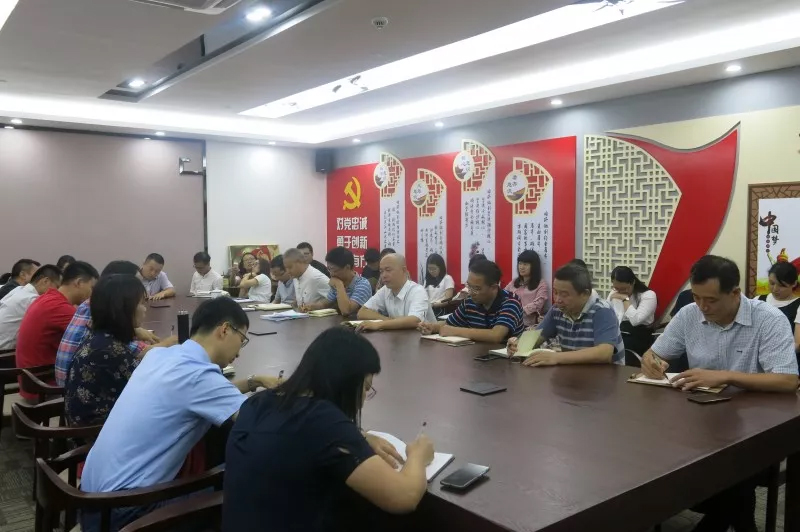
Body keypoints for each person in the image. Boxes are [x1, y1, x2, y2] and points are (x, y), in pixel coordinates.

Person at [79, 298, 282, 532]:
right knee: (250, 478)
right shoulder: (198, 376)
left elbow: (204, 394)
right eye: (242, 339)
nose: (239, 352)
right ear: (225, 329)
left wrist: (253, 381)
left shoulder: (160, 356)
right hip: (126, 514)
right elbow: (259, 424)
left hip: (91, 500)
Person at [641, 255, 798, 532]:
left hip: (755, 430)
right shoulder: (689, 314)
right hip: (700, 421)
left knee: (733, 479)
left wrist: (726, 375)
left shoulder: (768, 320)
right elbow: (655, 353)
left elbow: (787, 381)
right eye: (696, 297)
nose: (702, 307)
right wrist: (652, 361)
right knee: (652, 460)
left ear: (735, 293)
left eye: (711, 300)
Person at [223, 327, 434, 532]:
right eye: (366, 387)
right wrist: (417, 455)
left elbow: (296, 436)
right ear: (347, 383)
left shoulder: (257, 402)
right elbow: (404, 497)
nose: (363, 400)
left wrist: (358, 436)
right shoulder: (324, 421)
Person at [55, 260, 176, 386]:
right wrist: (168, 343)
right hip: (66, 386)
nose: (144, 307)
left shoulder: (94, 307)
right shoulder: (110, 345)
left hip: (69, 381)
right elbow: (139, 356)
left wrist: (135, 331)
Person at [64, 275, 148, 427]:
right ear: (123, 308)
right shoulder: (110, 351)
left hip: (91, 426)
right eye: (141, 303)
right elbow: (146, 393)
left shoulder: (101, 338)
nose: (145, 308)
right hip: (98, 434)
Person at [507, 264, 625, 366]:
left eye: (564, 294)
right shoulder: (557, 310)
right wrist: (517, 345)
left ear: (585, 294)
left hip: (607, 377)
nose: (558, 299)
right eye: (555, 292)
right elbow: (536, 337)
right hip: (573, 373)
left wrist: (556, 357)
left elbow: (604, 353)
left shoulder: (602, 310)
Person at [16, 261, 99, 402]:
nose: (92, 295)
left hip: (30, 380)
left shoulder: (48, 298)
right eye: (91, 288)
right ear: (79, 283)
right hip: (42, 387)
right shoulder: (60, 307)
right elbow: (96, 338)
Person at [419, 260, 524, 343]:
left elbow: (496, 335)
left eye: (477, 288)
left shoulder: (510, 301)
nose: (471, 292)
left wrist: (455, 331)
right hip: (476, 355)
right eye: (469, 286)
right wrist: (432, 327)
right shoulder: (469, 302)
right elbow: (448, 323)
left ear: (494, 288)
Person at [356, 254, 435, 330]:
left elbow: (415, 320)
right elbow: (362, 312)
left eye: (388, 270)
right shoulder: (385, 290)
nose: (383, 275)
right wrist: (387, 320)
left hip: (425, 337)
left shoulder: (418, 291)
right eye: (381, 271)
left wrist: (378, 324)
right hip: (400, 336)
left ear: (403, 270)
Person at [0, 265, 62, 350]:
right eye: (57, 287)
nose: (58, 291)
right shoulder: (33, 299)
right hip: (5, 353)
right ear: (45, 281)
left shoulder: (19, 289)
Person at [303, 247, 372, 317]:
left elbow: (346, 311)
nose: (331, 274)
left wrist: (339, 285)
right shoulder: (338, 280)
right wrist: (311, 306)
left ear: (347, 267)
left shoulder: (362, 284)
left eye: (335, 270)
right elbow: (325, 303)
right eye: (329, 269)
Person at [608, 266, 658, 356]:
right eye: (616, 288)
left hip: (639, 335)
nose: (620, 291)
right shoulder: (614, 292)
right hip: (618, 331)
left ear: (633, 282)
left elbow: (635, 320)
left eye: (624, 288)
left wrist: (625, 299)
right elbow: (606, 313)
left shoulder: (648, 295)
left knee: (616, 349)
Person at [504, 250, 548, 327]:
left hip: (528, 325)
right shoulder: (514, 282)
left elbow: (539, 303)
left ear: (534, 266)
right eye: (520, 263)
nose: (521, 267)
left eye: (525, 264)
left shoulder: (541, 284)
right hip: (509, 321)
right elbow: (503, 296)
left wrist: (518, 310)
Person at [753, 261, 800, 333]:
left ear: (794, 283)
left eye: (781, 285)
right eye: (772, 283)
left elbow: (797, 339)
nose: (775, 289)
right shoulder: (758, 301)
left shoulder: (798, 306)